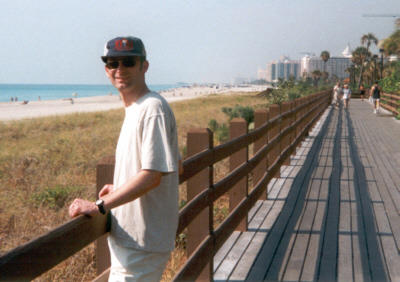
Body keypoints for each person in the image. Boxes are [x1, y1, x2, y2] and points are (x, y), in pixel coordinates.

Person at [68, 36, 181, 281]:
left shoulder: (153, 109)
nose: (119, 70)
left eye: (128, 62)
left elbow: (152, 176)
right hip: (133, 240)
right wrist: (121, 187)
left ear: (144, 66)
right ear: (106, 69)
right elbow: (171, 164)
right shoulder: (136, 109)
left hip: (142, 244)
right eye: (112, 63)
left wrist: (98, 206)